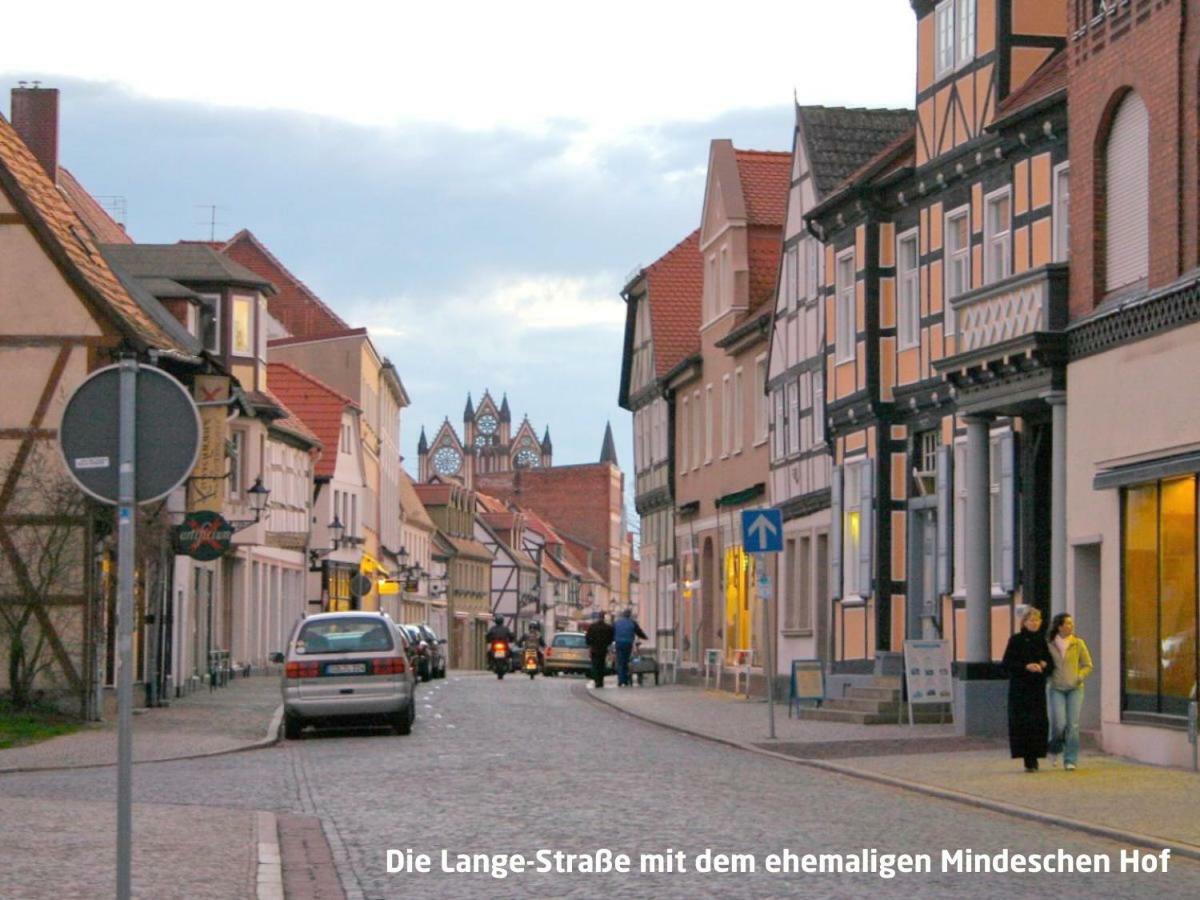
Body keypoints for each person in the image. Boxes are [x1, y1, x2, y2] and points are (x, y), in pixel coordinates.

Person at [1002, 606, 1054, 772]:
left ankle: (1036, 755)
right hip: (1020, 688)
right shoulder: (1016, 640)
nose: (1035, 623)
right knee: (1022, 723)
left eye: (1037, 620)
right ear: (1024, 622)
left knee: (1037, 722)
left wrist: (1044, 666)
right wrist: (1026, 666)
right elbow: (1007, 663)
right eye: (1031, 620)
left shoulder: (1042, 641)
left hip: (1037, 688)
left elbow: (1051, 664)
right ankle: (1027, 759)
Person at [1046, 612, 1093, 771]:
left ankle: (1070, 759)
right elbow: (1045, 663)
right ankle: (1055, 748)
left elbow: (1087, 664)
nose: (1071, 626)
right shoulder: (1050, 644)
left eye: (1072, 624)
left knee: (1073, 724)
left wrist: (1080, 676)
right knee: (1059, 723)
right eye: (1067, 623)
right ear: (1059, 626)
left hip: (1075, 689)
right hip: (1056, 688)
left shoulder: (1078, 643)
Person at [613, 608, 648, 687]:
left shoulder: (617, 623)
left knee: (620, 661)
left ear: (623, 615)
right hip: (628, 643)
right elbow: (639, 632)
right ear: (629, 615)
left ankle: (620, 680)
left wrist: (613, 640)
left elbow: (612, 632)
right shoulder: (632, 623)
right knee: (626, 661)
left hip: (619, 643)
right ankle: (625, 680)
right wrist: (645, 637)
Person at [585, 612, 614, 688]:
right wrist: (607, 644)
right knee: (601, 665)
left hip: (594, 649)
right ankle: (600, 681)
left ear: (598, 617)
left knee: (595, 665)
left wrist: (590, 644)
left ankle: (596, 680)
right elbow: (611, 638)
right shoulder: (608, 627)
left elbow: (587, 637)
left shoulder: (592, 626)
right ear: (603, 618)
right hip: (603, 649)